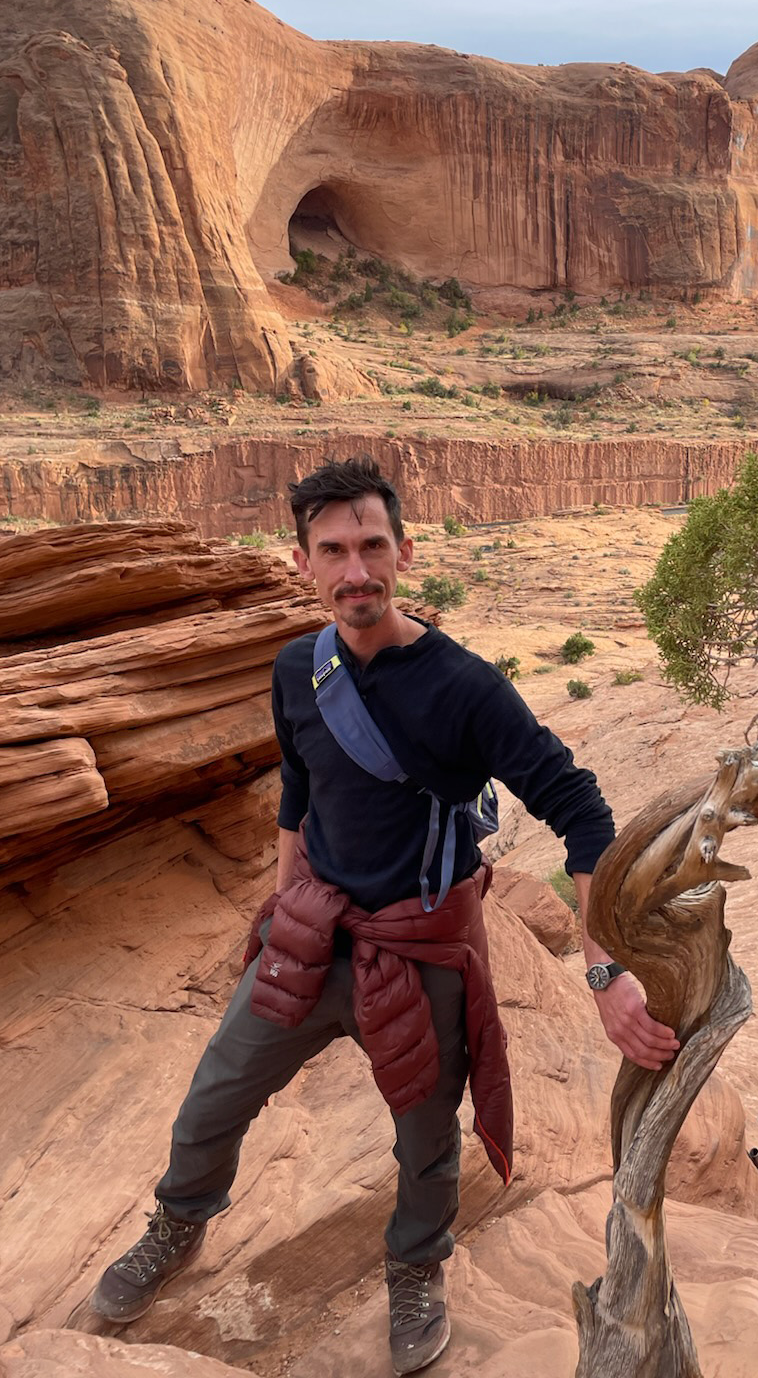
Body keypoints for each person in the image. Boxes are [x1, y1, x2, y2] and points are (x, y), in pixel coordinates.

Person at [91, 455, 678, 1375]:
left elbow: (583, 815)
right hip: (313, 933)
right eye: (333, 550)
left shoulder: (465, 688)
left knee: (425, 1139)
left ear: (404, 550)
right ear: (303, 564)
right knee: (214, 1098)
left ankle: (416, 1267)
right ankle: (179, 1223)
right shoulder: (299, 669)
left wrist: (603, 971)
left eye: (371, 546)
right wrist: (284, 900)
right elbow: (299, 790)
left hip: (416, 947)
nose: (355, 569)